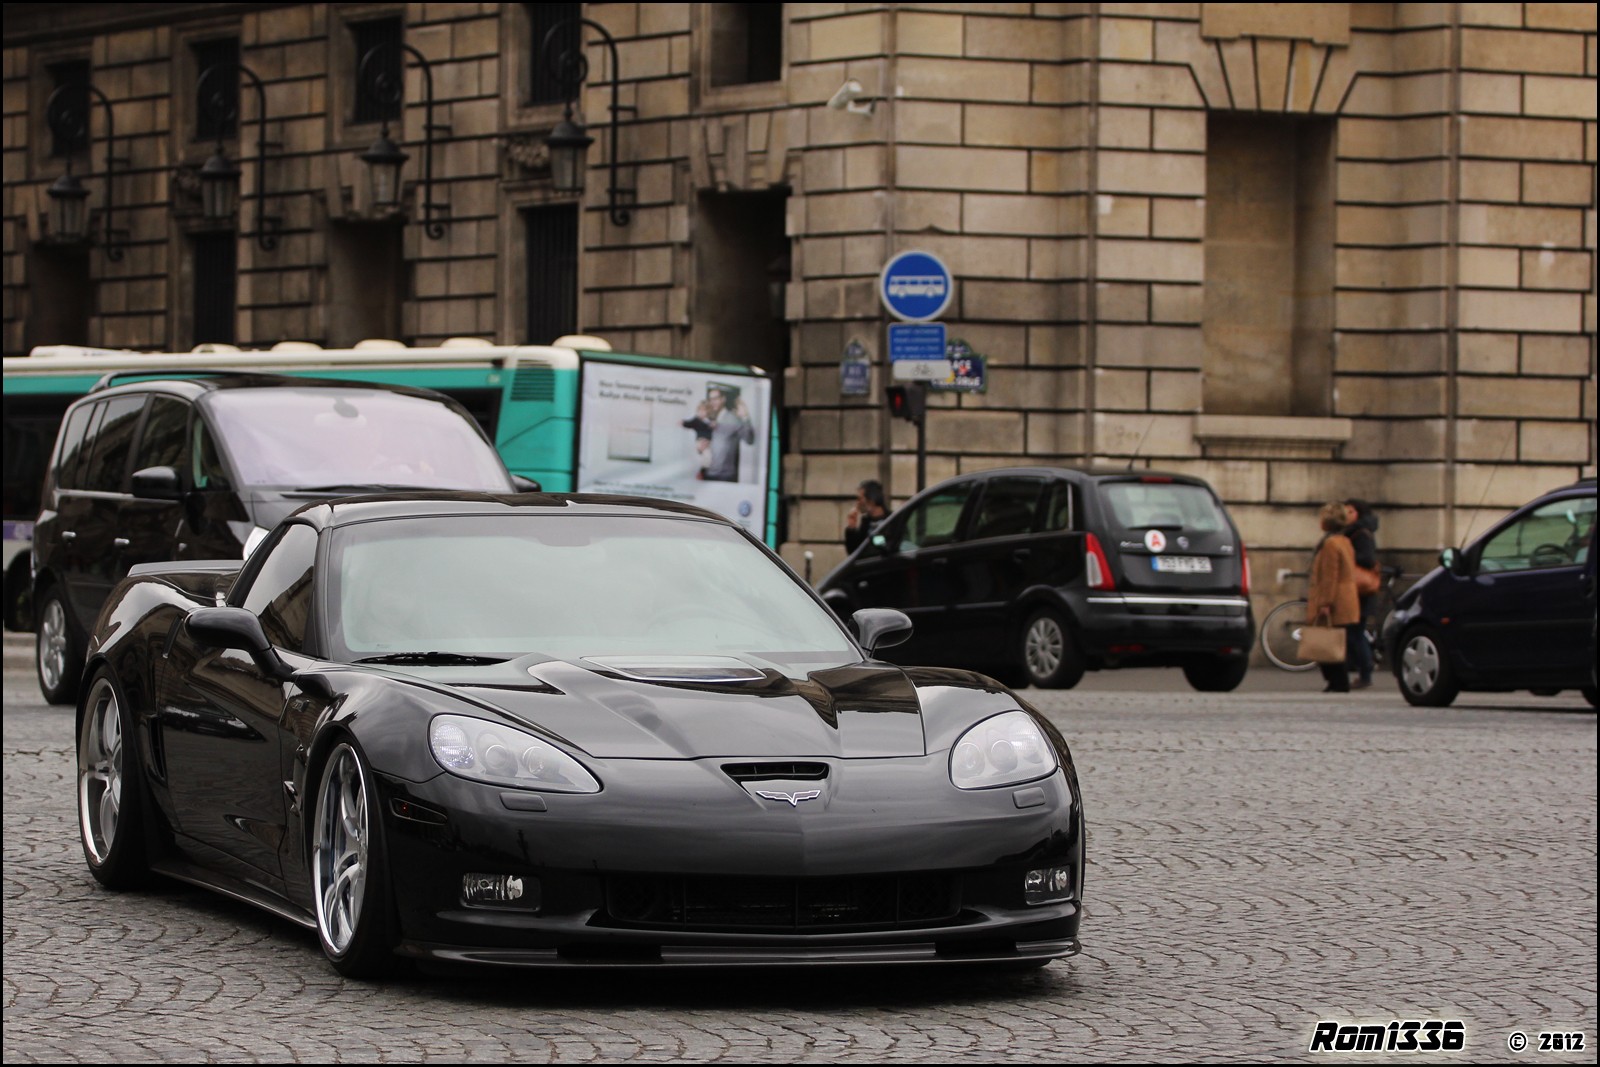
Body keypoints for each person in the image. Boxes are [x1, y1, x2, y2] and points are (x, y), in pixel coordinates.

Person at [1307, 500, 1361, 693]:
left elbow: (1330, 576)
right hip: (1346, 597)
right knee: (1337, 642)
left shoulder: (1330, 543)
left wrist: (1325, 602)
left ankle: (1337, 682)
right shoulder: (1344, 540)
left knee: (1328, 644)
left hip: (1335, 598)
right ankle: (1338, 681)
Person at [1342, 498, 1380, 689]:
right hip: (1355, 591)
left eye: (1349, 511)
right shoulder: (1353, 533)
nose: (1346, 515)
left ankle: (1365, 672)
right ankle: (1362, 670)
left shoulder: (1360, 534)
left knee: (1355, 633)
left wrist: (1346, 555)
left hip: (1359, 592)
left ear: (1357, 514)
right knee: (1354, 633)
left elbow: (1367, 558)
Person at [697, 385, 755, 482]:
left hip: (724, 476)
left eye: (716, 399)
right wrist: (699, 448)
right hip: (708, 473)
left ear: (723, 399)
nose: (712, 402)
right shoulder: (709, 417)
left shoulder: (732, 418)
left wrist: (745, 417)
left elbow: (749, 439)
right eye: (711, 400)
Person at [844, 479, 888, 553]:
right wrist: (851, 527)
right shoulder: (866, 521)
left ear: (871, 500)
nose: (858, 503)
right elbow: (853, 552)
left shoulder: (893, 520)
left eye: (860, 499)